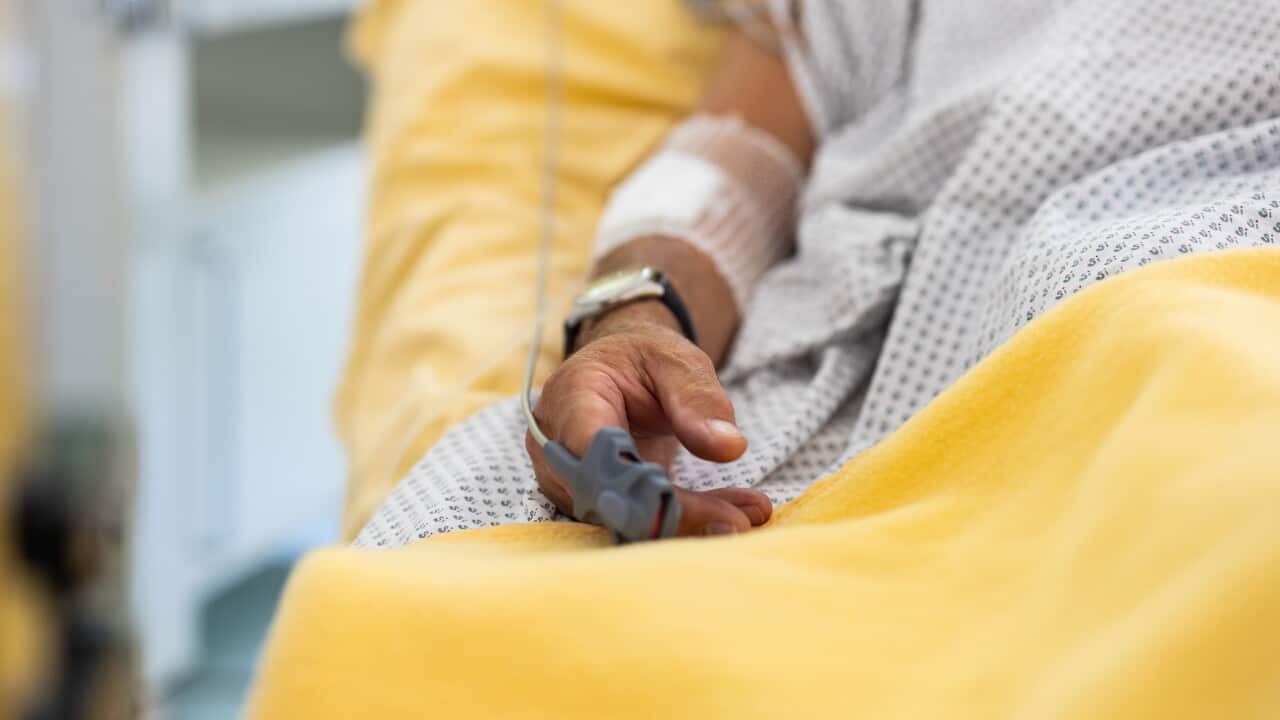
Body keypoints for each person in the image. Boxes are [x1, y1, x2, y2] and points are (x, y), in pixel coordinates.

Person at [356, 0, 1280, 546]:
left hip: (1204, 302)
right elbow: (727, 163)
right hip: (822, 376)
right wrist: (633, 318)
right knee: (453, 555)